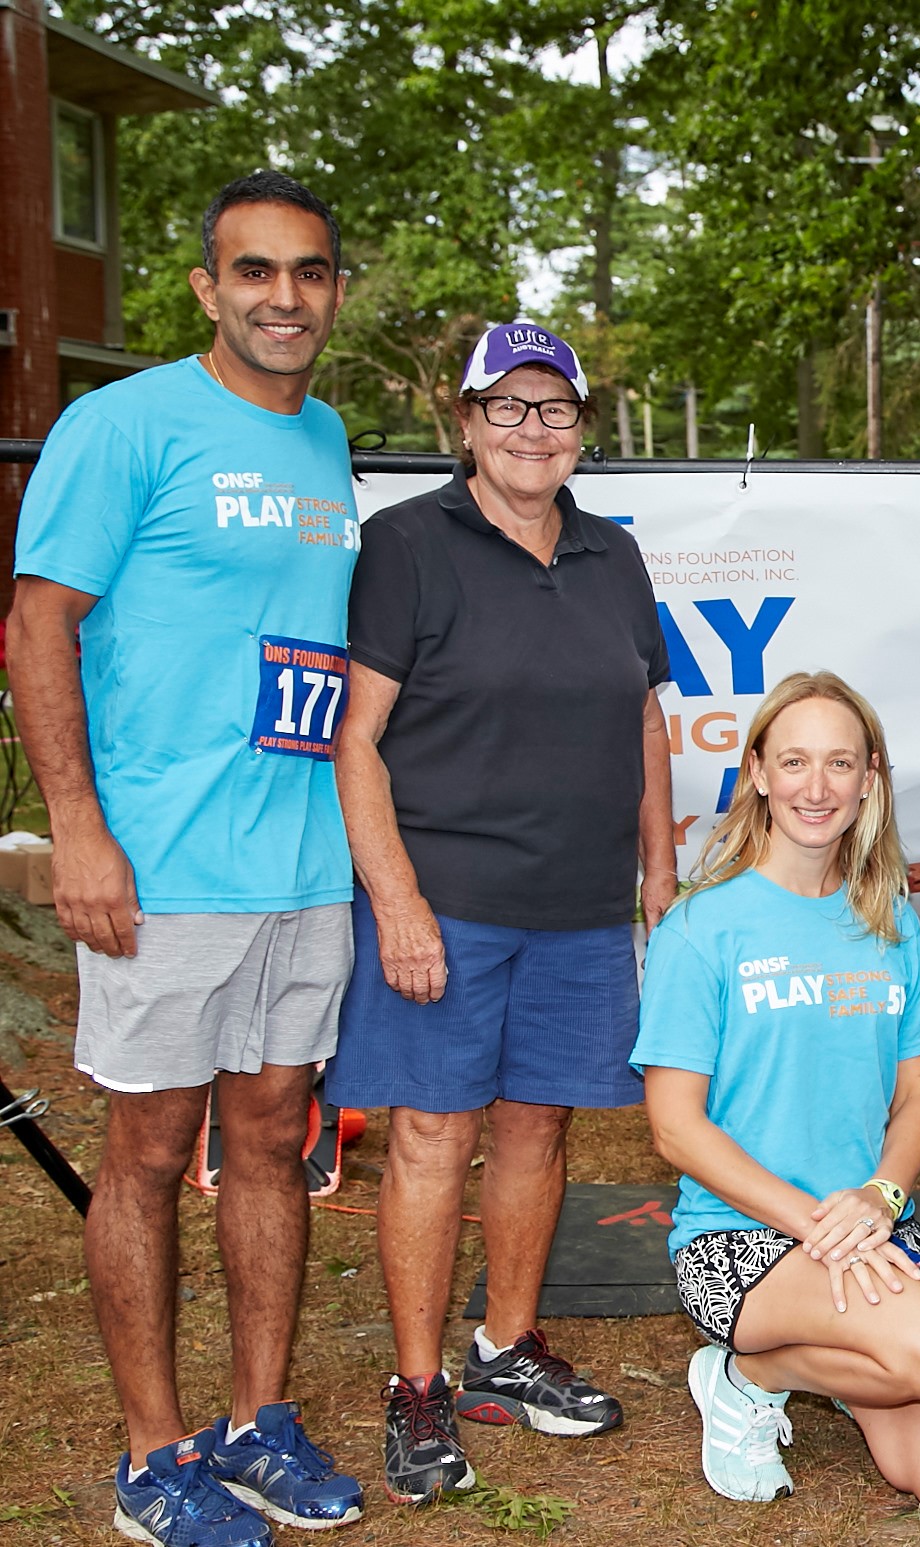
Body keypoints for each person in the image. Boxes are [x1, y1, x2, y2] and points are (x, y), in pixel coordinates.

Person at [8, 171, 364, 1543]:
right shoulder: (124, 424)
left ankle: (256, 1420)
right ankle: (154, 1455)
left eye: (311, 272)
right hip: (162, 868)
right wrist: (80, 826)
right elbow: (39, 626)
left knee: (272, 1144)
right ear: (209, 287)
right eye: (256, 272)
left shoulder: (327, 435)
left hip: (302, 863)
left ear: (335, 289)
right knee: (149, 1150)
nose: (286, 297)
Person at [322, 322, 675, 1502]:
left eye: (555, 409)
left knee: (539, 1129)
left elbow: (643, 720)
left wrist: (658, 877)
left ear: (582, 428)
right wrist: (399, 900)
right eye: (508, 407)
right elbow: (356, 737)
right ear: (465, 423)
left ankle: (504, 1349)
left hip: (579, 911)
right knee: (432, 1137)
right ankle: (416, 1386)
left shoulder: (613, 555)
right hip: (449, 906)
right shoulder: (406, 543)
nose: (533, 429)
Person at [635, 672, 920, 1513]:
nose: (816, 785)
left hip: (866, 1222)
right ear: (757, 771)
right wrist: (818, 1225)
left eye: (839, 763)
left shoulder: (890, 919)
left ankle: (825, 1353)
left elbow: (917, 1097)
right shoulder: (699, 926)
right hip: (743, 1238)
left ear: (869, 778)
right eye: (794, 760)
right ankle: (747, 1370)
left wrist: (880, 1194)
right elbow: (675, 1130)